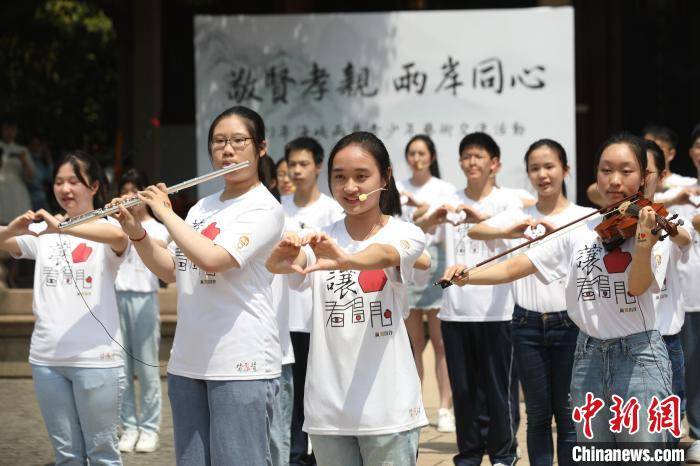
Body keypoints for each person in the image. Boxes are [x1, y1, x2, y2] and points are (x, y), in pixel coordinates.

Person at [442, 133, 690, 453]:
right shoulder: (580, 230)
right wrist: (467, 277)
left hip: (638, 357)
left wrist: (643, 245)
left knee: (640, 453)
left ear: (644, 177)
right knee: (593, 453)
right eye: (605, 170)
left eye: (626, 171)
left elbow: (638, 285)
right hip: (587, 355)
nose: (614, 180)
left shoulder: (655, 227)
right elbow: (515, 266)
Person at [113, 105, 285, 465]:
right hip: (188, 361)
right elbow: (171, 269)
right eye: (219, 141)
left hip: (240, 362)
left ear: (261, 147)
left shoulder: (265, 209)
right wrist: (138, 232)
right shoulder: (201, 208)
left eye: (239, 141)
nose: (227, 149)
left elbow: (214, 259)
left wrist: (165, 213)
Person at [267, 131, 428, 465]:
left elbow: (383, 254)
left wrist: (344, 259)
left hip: (390, 409)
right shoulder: (322, 238)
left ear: (385, 177)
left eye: (361, 176)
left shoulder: (406, 233)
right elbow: (285, 265)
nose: (350, 188)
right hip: (329, 410)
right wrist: (282, 253)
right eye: (339, 178)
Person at [467, 139, 592, 466]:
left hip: (571, 324)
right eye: (535, 168)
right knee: (536, 413)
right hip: (525, 324)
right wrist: (516, 227)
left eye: (550, 166)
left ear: (565, 170)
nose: (543, 174)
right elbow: (476, 231)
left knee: (567, 414)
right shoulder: (520, 215)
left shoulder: (585, 217)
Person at [0, 150, 128, 465]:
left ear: (95, 186)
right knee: (66, 456)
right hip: (47, 360)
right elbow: (4, 243)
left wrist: (62, 227)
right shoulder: (45, 232)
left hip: (96, 360)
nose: (65, 189)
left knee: (102, 455)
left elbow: (118, 237)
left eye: (74, 181)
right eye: (59, 182)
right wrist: (11, 229)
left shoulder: (108, 225)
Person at [420, 132, 522, 466]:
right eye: (466, 156)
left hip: (498, 312)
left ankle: (504, 454)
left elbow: (520, 232)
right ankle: (469, 455)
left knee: (497, 390)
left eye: (478, 156)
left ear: (495, 164)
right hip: (456, 313)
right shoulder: (449, 200)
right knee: (463, 393)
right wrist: (431, 219)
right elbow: (418, 233)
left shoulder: (508, 202)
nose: (471, 162)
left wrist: (480, 219)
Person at [281, 136, 344, 466]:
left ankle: (323, 455)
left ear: (319, 166)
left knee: (318, 391)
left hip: (319, 318)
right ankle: (293, 456)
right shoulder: (279, 207)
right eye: (292, 164)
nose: (297, 170)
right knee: (291, 395)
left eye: (304, 163)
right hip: (287, 317)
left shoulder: (332, 210)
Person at [395, 134, 457, 433]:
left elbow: (444, 224)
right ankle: (415, 405)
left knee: (441, 343)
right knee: (413, 344)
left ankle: (445, 407)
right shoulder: (398, 188)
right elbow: (399, 226)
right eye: (411, 153)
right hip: (409, 263)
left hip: (436, 261)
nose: (416, 158)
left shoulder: (444, 189)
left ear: (431, 156)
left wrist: (421, 208)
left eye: (421, 153)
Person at [114, 168, 169, 453]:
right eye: (124, 191)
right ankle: (128, 427)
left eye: (134, 192)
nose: (129, 197)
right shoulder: (113, 225)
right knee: (121, 370)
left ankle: (149, 429)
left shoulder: (159, 227)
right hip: (116, 298)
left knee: (147, 368)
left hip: (145, 299)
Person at [259, 154, 296, 466]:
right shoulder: (213, 219)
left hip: (275, 355)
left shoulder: (287, 223)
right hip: (229, 358)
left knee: (275, 440)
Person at [676, 124, 700, 462]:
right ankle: (696, 433)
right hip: (689, 294)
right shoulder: (678, 191)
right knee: (691, 367)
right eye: (697, 145)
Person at [0, 121, 34, 224]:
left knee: (22, 223)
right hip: (1, 190)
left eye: (12, 129)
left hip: (18, 192)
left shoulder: (22, 150)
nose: (9, 132)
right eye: (6, 129)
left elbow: (31, 177)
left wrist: (24, 162)